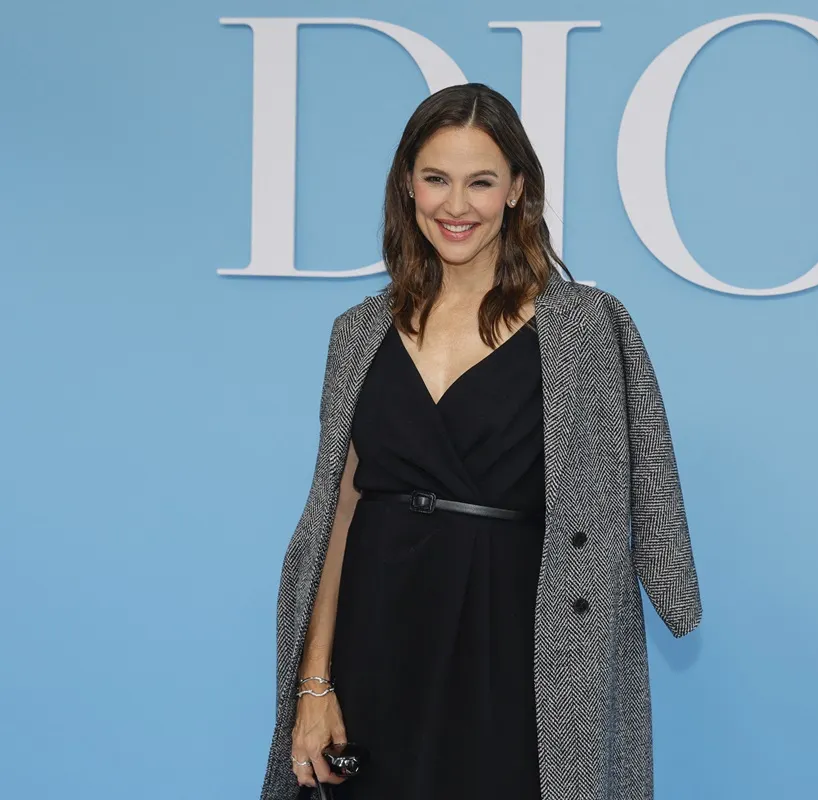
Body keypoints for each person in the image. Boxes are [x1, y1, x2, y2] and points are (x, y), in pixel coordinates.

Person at [259, 83, 702, 800]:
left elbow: (645, 466)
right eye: (435, 179)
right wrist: (315, 686)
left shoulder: (585, 326)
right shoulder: (357, 333)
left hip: (519, 644)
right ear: (407, 186)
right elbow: (336, 516)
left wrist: (671, 583)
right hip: (379, 630)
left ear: (518, 191)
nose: (455, 205)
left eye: (481, 182)